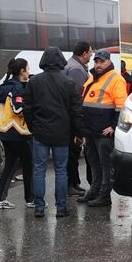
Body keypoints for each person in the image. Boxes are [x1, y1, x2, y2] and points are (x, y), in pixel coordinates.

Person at [24, 46, 82, 218]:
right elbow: (76, 111)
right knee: (61, 171)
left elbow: (27, 109)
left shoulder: (34, 82)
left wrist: (33, 127)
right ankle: (61, 207)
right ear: (60, 61)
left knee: (39, 170)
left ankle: (39, 207)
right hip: (62, 134)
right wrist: (79, 133)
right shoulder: (69, 83)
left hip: (40, 133)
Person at [78, 49, 127, 208]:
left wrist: (113, 127)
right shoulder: (93, 78)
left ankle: (104, 195)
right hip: (91, 131)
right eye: (96, 61)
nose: (98, 64)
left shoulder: (116, 79)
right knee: (93, 163)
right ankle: (95, 190)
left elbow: (121, 107)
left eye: (101, 61)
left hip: (103, 132)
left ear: (108, 62)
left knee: (106, 165)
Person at [0, 58, 33, 210]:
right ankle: (31, 199)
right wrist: (32, 107)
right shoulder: (17, 88)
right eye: (27, 70)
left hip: (5, 132)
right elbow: (18, 109)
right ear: (22, 71)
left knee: (10, 165)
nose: (29, 72)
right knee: (29, 163)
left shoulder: (6, 86)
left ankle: (0, 199)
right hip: (18, 133)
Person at [64, 41, 93, 196]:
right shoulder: (76, 70)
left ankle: (74, 183)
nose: (91, 55)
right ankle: (71, 185)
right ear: (83, 54)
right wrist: (80, 124)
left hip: (69, 118)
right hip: (73, 118)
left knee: (72, 152)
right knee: (73, 153)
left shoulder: (71, 65)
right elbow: (78, 98)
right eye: (90, 52)